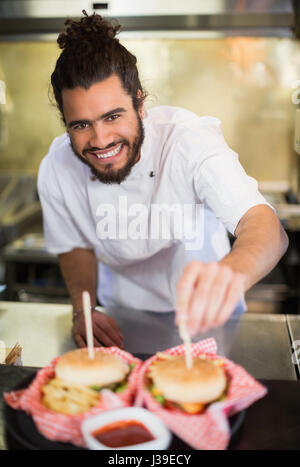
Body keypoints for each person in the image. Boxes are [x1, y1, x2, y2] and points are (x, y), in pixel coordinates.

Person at [37, 12, 288, 349]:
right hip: (120, 321)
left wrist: (231, 274)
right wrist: (84, 308)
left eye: (112, 116)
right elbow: (75, 246)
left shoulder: (187, 140)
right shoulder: (57, 166)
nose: (99, 140)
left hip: (210, 319)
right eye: (81, 124)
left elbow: (263, 225)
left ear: (140, 105)